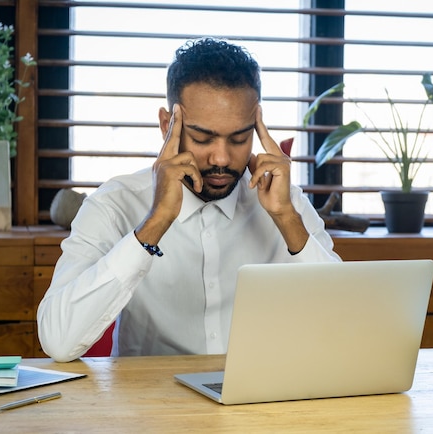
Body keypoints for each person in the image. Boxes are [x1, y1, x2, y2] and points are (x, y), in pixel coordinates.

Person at [37, 37, 341, 362]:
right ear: (168, 125)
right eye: (202, 137)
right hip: (151, 405)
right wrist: (154, 223)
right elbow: (58, 341)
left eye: (239, 138)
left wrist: (286, 218)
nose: (222, 157)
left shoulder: (285, 201)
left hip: (259, 404)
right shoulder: (115, 204)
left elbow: (346, 325)